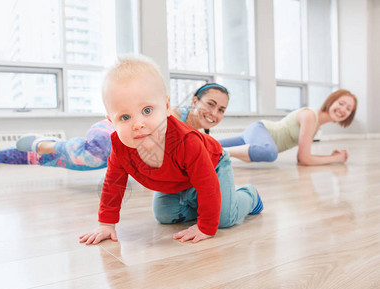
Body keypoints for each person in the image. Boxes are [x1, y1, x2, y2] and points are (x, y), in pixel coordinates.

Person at [79, 55, 262, 245]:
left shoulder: (187, 141)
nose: (138, 124)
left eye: (147, 111)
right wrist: (106, 223)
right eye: (125, 117)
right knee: (165, 216)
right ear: (111, 121)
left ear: (166, 107)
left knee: (223, 219)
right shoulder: (119, 145)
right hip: (177, 180)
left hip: (213, 165)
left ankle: (249, 195)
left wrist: (205, 225)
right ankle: (202, 201)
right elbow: (113, 184)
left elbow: (207, 183)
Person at [0, 83, 230, 186]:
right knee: (93, 150)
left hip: (112, 153)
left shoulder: (196, 139)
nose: (214, 113)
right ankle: (48, 144)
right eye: (210, 104)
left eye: (221, 110)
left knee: (48, 159)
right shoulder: (170, 114)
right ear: (195, 100)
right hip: (111, 132)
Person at [219, 89, 357, 166]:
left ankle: (215, 151)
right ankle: (222, 153)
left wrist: (331, 157)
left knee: (209, 145)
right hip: (261, 130)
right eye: (341, 103)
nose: (343, 109)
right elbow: (304, 159)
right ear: (331, 101)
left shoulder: (316, 124)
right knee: (269, 153)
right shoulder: (310, 116)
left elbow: (305, 158)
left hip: (257, 139)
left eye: (349, 109)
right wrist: (335, 159)